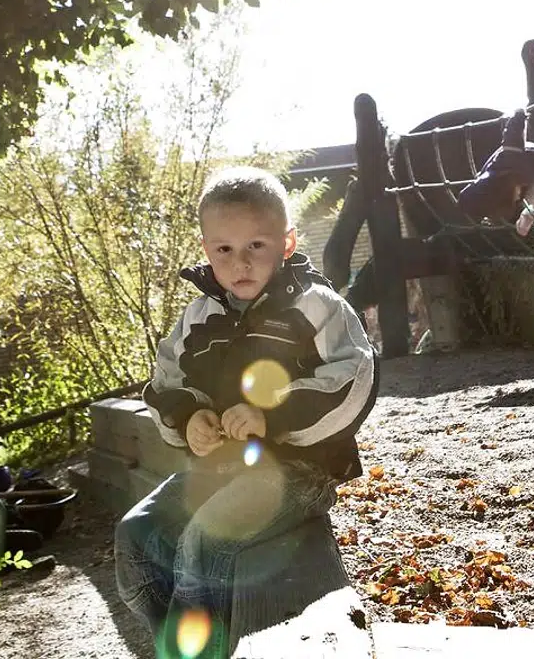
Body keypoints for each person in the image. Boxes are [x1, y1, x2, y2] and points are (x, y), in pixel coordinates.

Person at [114, 166, 377, 657]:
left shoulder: (316, 306)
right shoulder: (198, 319)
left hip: (300, 471)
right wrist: (189, 419)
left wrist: (269, 415)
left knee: (204, 541)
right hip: (221, 469)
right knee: (136, 535)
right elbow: (166, 383)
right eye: (224, 250)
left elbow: (353, 377)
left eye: (257, 245)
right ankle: (183, 646)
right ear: (206, 250)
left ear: (288, 242)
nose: (241, 263)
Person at [457, 105, 534, 236]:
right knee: (531, 199)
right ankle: (530, 214)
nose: (516, 199)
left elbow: (512, 134)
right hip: (524, 175)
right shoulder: (491, 181)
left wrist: (519, 115)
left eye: (513, 198)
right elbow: (481, 181)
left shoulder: (510, 160)